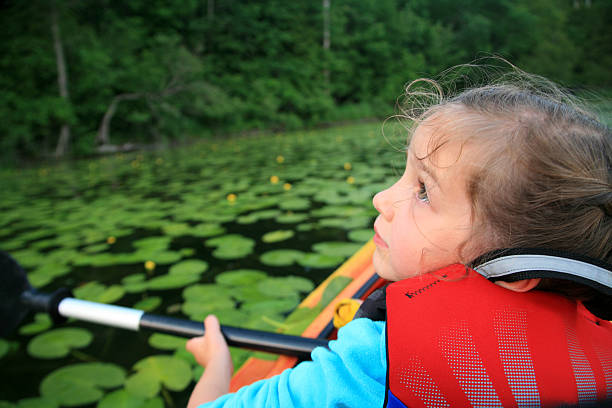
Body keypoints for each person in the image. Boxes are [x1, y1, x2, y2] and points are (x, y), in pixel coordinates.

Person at [186, 65, 612, 407]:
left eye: (423, 192)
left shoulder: (373, 363)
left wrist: (216, 367)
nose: (380, 199)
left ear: (514, 266)